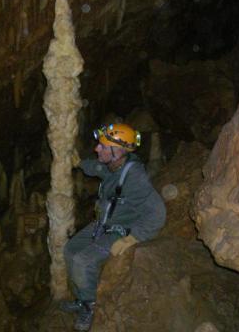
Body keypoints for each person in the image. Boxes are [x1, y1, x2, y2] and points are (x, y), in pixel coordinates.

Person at [61, 123, 166, 331]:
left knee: (82, 261)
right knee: (70, 249)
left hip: (120, 230)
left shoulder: (134, 177)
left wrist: (133, 238)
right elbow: (98, 168)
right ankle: (82, 298)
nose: (96, 149)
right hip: (103, 223)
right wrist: (80, 163)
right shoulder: (114, 166)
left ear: (117, 151)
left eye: (102, 146)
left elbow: (157, 213)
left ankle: (90, 305)